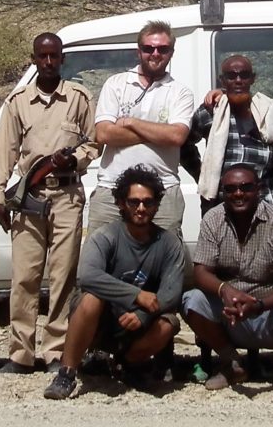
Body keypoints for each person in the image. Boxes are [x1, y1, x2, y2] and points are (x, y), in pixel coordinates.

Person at [0, 32, 98, 374]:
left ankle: (55, 352)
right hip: (28, 198)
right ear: (33, 59)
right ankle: (20, 354)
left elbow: (94, 144)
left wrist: (75, 159)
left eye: (54, 56)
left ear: (63, 59)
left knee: (63, 276)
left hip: (67, 196)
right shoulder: (18, 101)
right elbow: (4, 150)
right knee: (24, 277)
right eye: (42, 56)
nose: (49, 62)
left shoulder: (79, 97)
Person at [44, 166, 185, 400]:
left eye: (148, 203)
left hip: (139, 323)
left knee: (169, 324)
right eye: (134, 202)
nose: (141, 208)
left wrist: (142, 315)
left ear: (157, 205)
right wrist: (137, 295)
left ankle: (128, 363)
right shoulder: (105, 236)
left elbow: (171, 293)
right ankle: (66, 373)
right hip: (102, 320)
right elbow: (88, 276)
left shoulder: (168, 243)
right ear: (121, 203)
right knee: (90, 298)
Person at [181, 165, 273, 391]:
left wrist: (259, 305)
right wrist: (225, 290)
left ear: (259, 189)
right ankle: (231, 364)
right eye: (230, 189)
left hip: (271, 310)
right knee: (192, 301)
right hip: (230, 311)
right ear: (223, 193)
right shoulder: (212, 219)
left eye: (246, 187)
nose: (238, 194)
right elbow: (200, 272)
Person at [90, 20, 194, 239]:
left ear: (171, 53)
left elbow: (176, 136)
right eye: (148, 48)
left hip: (164, 191)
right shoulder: (115, 84)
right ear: (139, 51)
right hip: (111, 189)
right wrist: (158, 132)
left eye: (162, 49)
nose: (155, 54)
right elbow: (104, 134)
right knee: (100, 260)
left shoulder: (180, 92)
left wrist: (130, 122)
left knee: (164, 263)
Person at [183, 55, 273, 213]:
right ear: (222, 80)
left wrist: (271, 178)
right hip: (218, 207)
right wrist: (203, 175)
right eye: (231, 76)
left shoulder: (267, 113)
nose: (238, 80)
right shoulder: (209, 112)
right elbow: (184, 144)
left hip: (261, 206)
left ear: (252, 79)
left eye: (244, 75)